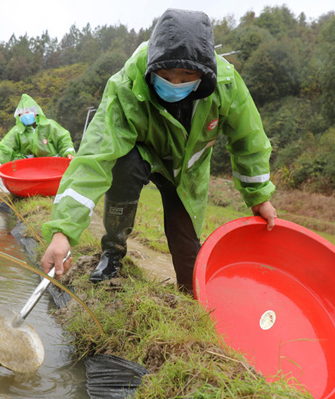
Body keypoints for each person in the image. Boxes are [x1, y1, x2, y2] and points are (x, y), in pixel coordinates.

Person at [40, 8, 277, 294]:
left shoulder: (225, 83)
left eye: (187, 75)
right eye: (167, 74)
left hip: (186, 172)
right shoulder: (127, 84)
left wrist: (258, 195)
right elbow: (94, 155)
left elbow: (249, 138)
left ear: (203, 73)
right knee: (123, 166)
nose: (175, 82)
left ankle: (190, 300)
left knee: (189, 258)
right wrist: (62, 231)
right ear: (153, 66)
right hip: (141, 156)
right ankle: (113, 251)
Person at [0, 93, 75, 172]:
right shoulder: (17, 131)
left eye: (27, 112)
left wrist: (68, 152)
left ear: (36, 112)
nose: (25, 116)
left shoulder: (50, 126)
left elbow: (63, 139)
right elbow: (5, 148)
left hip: (52, 167)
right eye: (21, 114)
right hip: (28, 170)